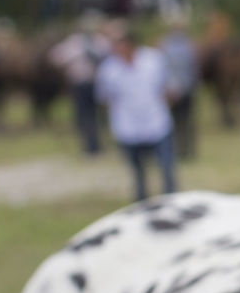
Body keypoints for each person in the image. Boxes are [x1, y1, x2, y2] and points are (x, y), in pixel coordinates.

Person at [95, 28, 176, 202]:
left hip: (157, 122)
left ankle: (172, 202)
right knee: (138, 172)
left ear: (130, 44)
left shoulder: (153, 60)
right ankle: (142, 204)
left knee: (167, 168)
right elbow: (104, 96)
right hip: (128, 127)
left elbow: (166, 86)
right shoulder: (109, 69)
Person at [49, 13, 109, 155]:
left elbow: (108, 56)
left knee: (97, 116)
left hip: (96, 83)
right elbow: (55, 57)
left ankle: (98, 145)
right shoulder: (73, 42)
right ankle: (88, 146)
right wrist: (71, 61)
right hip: (79, 84)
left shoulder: (100, 41)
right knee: (82, 116)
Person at [159, 18, 200, 161]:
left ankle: (188, 150)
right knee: (172, 122)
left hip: (186, 89)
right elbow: (163, 69)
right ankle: (176, 150)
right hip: (172, 91)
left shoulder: (189, 46)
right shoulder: (165, 46)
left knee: (186, 121)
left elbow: (193, 69)